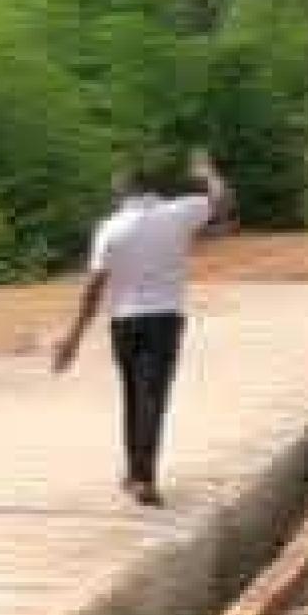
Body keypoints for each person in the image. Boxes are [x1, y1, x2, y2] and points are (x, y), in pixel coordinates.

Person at [53, 149, 232, 506]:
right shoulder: (178, 213)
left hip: (123, 322)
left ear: (123, 194)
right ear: (154, 190)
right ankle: (143, 477)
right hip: (164, 319)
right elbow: (222, 201)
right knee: (153, 398)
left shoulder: (109, 228)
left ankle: (135, 471)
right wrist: (207, 171)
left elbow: (94, 287)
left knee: (133, 394)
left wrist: (73, 337)